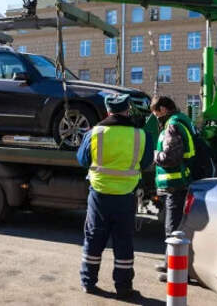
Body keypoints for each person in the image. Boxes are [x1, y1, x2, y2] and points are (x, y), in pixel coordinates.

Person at [77, 93, 154, 299]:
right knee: (123, 242)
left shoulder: (95, 133)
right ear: (127, 110)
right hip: (126, 197)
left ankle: (88, 282)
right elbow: (146, 163)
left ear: (107, 111)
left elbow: (82, 160)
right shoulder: (141, 135)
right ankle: (124, 287)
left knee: (94, 239)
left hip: (99, 196)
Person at [150, 96, 197, 282]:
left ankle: (176, 271)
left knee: (173, 228)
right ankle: (168, 262)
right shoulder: (180, 121)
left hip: (175, 184)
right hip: (178, 182)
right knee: (174, 226)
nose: (155, 117)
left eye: (155, 112)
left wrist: (154, 154)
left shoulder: (172, 125)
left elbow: (170, 158)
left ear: (162, 109)